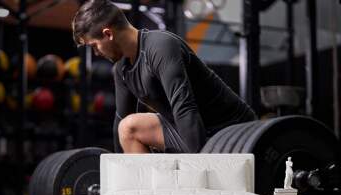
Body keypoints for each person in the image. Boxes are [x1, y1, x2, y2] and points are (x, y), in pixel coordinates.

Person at [71, 0, 257, 153]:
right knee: (128, 127)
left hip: (232, 130)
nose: (95, 53)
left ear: (108, 34)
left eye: (94, 45)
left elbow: (184, 108)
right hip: (191, 130)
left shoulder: (161, 46)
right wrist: (116, 174)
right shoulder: (121, 69)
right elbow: (121, 118)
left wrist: (198, 168)